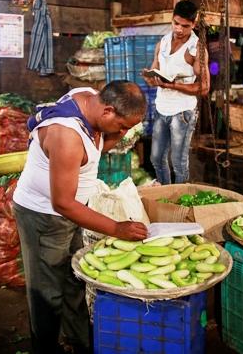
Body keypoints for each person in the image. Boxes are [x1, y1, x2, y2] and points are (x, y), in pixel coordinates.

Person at [12, 80, 148, 354]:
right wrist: (116, 228)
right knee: (47, 293)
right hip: (44, 217)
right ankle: (46, 347)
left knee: (75, 278)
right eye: (122, 127)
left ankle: (79, 342)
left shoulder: (89, 100)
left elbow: (98, 146)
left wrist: (121, 131)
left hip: (73, 214)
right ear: (108, 110)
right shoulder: (67, 135)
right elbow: (62, 203)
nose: (124, 134)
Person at [143, 0, 210, 184]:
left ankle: (180, 202)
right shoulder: (163, 42)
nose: (179, 29)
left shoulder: (196, 49)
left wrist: (173, 86)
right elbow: (154, 69)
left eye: (185, 26)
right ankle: (165, 194)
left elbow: (204, 87)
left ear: (194, 24)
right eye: (176, 23)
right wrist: (150, 78)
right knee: (156, 159)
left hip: (182, 112)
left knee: (178, 163)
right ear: (172, 20)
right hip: (161, 108)